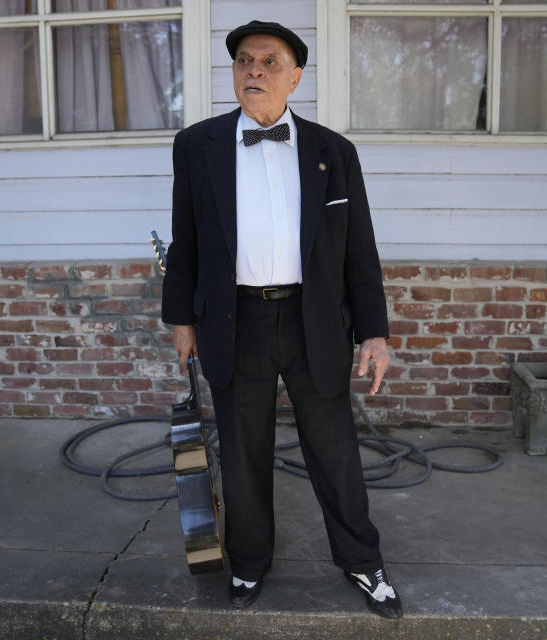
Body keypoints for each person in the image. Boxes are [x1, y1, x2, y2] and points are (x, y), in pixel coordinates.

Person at [161, 20, 401, 619]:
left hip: (313, 319)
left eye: (270, 62)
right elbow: (184, 240)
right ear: (234, 74)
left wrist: (374, 332)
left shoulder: (333, 151)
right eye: (245, 61)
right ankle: (247, 565)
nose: (255, 71)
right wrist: (181, 321)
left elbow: (359, 250)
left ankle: (362, 562)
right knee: (242, 451)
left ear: (295, 77)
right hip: (233, 318)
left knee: (335, 449)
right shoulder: (198, 145)